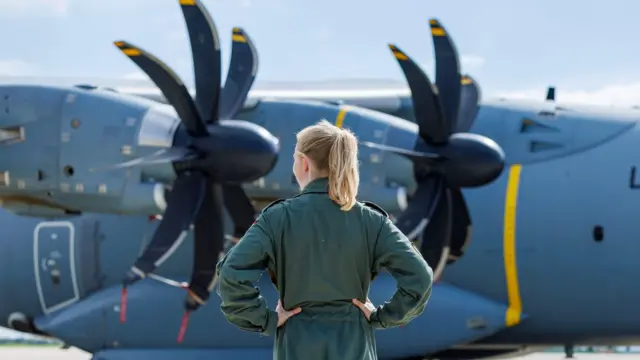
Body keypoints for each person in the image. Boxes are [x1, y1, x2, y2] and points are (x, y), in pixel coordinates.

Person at [216, 120, 433, 359]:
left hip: (297, 342)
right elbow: (419, 277)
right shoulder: (371, 221)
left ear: (304, 163)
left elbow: (231, 274)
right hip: (355, 343)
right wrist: (382, 317)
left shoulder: (276, 218)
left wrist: (266, 318)